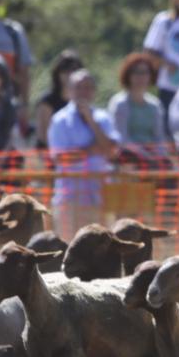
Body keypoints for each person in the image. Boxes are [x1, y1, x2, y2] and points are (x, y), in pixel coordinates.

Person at [47, 69, 120, 239]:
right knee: (69, 245)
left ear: (94, 91)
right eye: (78, 87)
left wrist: (91, 121)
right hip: (69, 196)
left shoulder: (103, 118)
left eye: (87, 87)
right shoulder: (60, 120)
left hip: (100, 196)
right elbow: (60, 157)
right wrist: (91, 150)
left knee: (101, 246)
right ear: (69, 90)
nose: (83, 92)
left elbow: (111, 150)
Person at [109, 53, 169, 170]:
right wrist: (145, 155)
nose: (140, 77)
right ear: (128, 75)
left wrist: (159, 155)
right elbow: (121, 138)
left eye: (145, 72)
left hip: (151, 158)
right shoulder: (119, 103)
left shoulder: (155, 105)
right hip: (127, 157)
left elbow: (159, 137)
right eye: (136, 72)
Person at [33, 50, 83, 151]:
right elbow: (44, 137)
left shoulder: (82, 101)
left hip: (80, 157)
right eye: (65, 69)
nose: (69, 74)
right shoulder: (47, 102)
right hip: (52, 157)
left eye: (74, 69)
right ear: (57, 73)